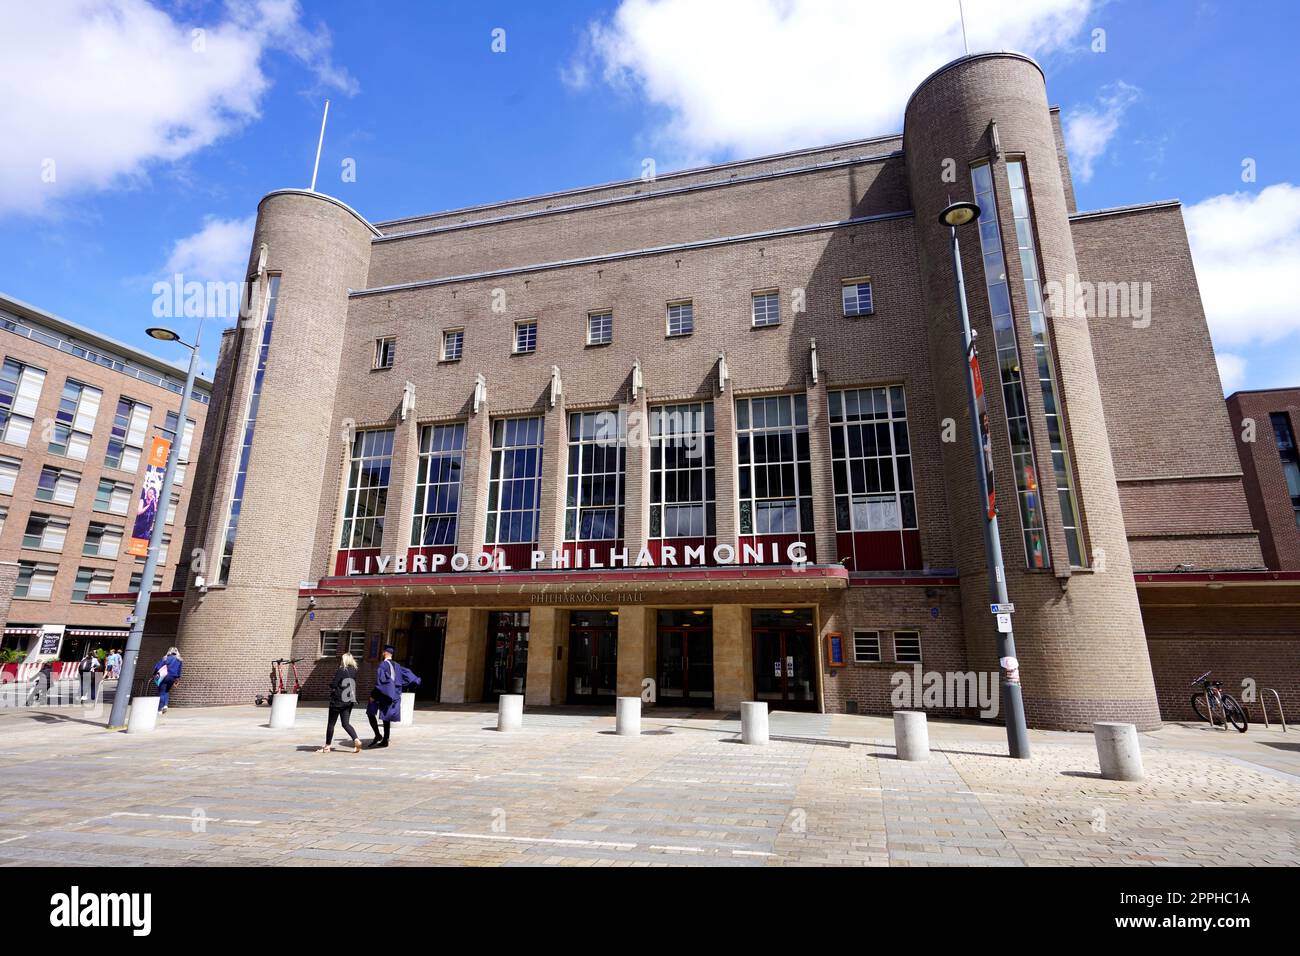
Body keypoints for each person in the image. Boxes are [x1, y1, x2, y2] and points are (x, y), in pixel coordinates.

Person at [366, 645, 420, 749]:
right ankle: (385, 739)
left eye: (382, 652)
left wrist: (373, 695)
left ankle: (378, 735)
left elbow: (381, 682)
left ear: (385, 653)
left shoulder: (383, 665)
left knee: (370, 711)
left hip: (383, 694)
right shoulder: (398, 665)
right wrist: (415, 682)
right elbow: (408, 675)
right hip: (395, 695)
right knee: (386, 716)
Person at [318, 652, 361, 753]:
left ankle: (327, 746)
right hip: (349, 700)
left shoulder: (342, 670)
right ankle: (356, 739)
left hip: (338, 700)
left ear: (344, 660)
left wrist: (331, 685)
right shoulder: (354, 671)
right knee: (346, 724)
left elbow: (334, 684)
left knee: (331, 724)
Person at [152, 647, 183, 713]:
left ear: (169, 651)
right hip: (173, 678)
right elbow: (179, 671)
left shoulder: (166, 658)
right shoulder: (179, 660)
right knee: (166, 691)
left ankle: (160, 709)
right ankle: (165, 705)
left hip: (164, 676)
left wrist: (154, 674)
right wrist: (177, 679)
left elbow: (158, 667)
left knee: (162, 692)